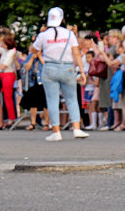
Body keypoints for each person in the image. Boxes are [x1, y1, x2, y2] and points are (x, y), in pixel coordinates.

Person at [31, 7, 88, 141]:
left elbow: (33, 49)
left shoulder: (44, 35)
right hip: (67, 68)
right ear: (62, 19)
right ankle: (77, 128)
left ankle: (56, 131)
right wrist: (81, 71)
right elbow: (76, 53)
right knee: (72, 99)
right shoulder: (69, 34)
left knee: (52, 100)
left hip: (50, 67)